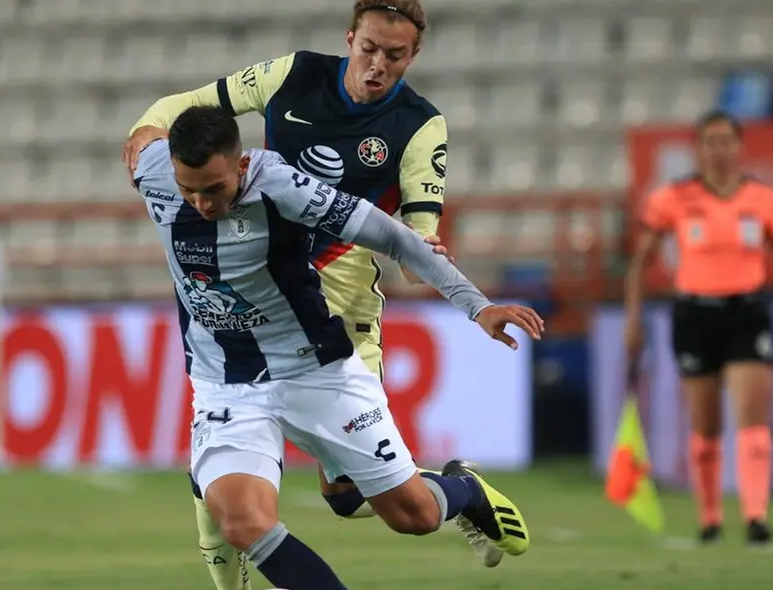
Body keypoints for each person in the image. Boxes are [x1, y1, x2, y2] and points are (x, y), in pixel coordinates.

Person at [121, 1, 504, 584]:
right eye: (368, 48)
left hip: (332, 331)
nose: (376, 65)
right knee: (235, 512)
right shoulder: (288, 80)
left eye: (393, 55)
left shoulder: (406, 130)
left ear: (413, 54)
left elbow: (407, 236)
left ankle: (462, 491)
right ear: (350, 38)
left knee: (369, 503)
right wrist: (144, 128)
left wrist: (463, 291)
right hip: (231, 375)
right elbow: (169, 114)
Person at [624, 110, 773, 545]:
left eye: (726, 140)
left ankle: (756, 516)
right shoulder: (674, 197)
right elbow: (640, 264)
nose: (719, 149)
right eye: (711, 141)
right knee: (706, 424)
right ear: (699, 148)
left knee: (753, 418)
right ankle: (710, 518)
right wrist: (634, 319)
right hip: (695, 314)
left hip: (747, 312)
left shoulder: (761, 197)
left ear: (739, 146)